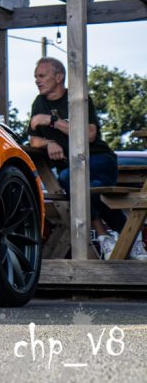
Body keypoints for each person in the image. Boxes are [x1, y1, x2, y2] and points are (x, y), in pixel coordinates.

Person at [27, 57, 144, 260]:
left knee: (70, 180)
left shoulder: (78, 99)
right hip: (71, 169)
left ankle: (107, 236)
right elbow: (33, 140)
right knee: (90, 190)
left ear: (58, 77)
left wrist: (52, 121)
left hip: (99, 159)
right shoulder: (39, 102)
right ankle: (129, 239)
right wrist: (49, 143)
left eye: (42, 76)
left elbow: (89, 135)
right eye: (35, 76)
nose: (37, 80)